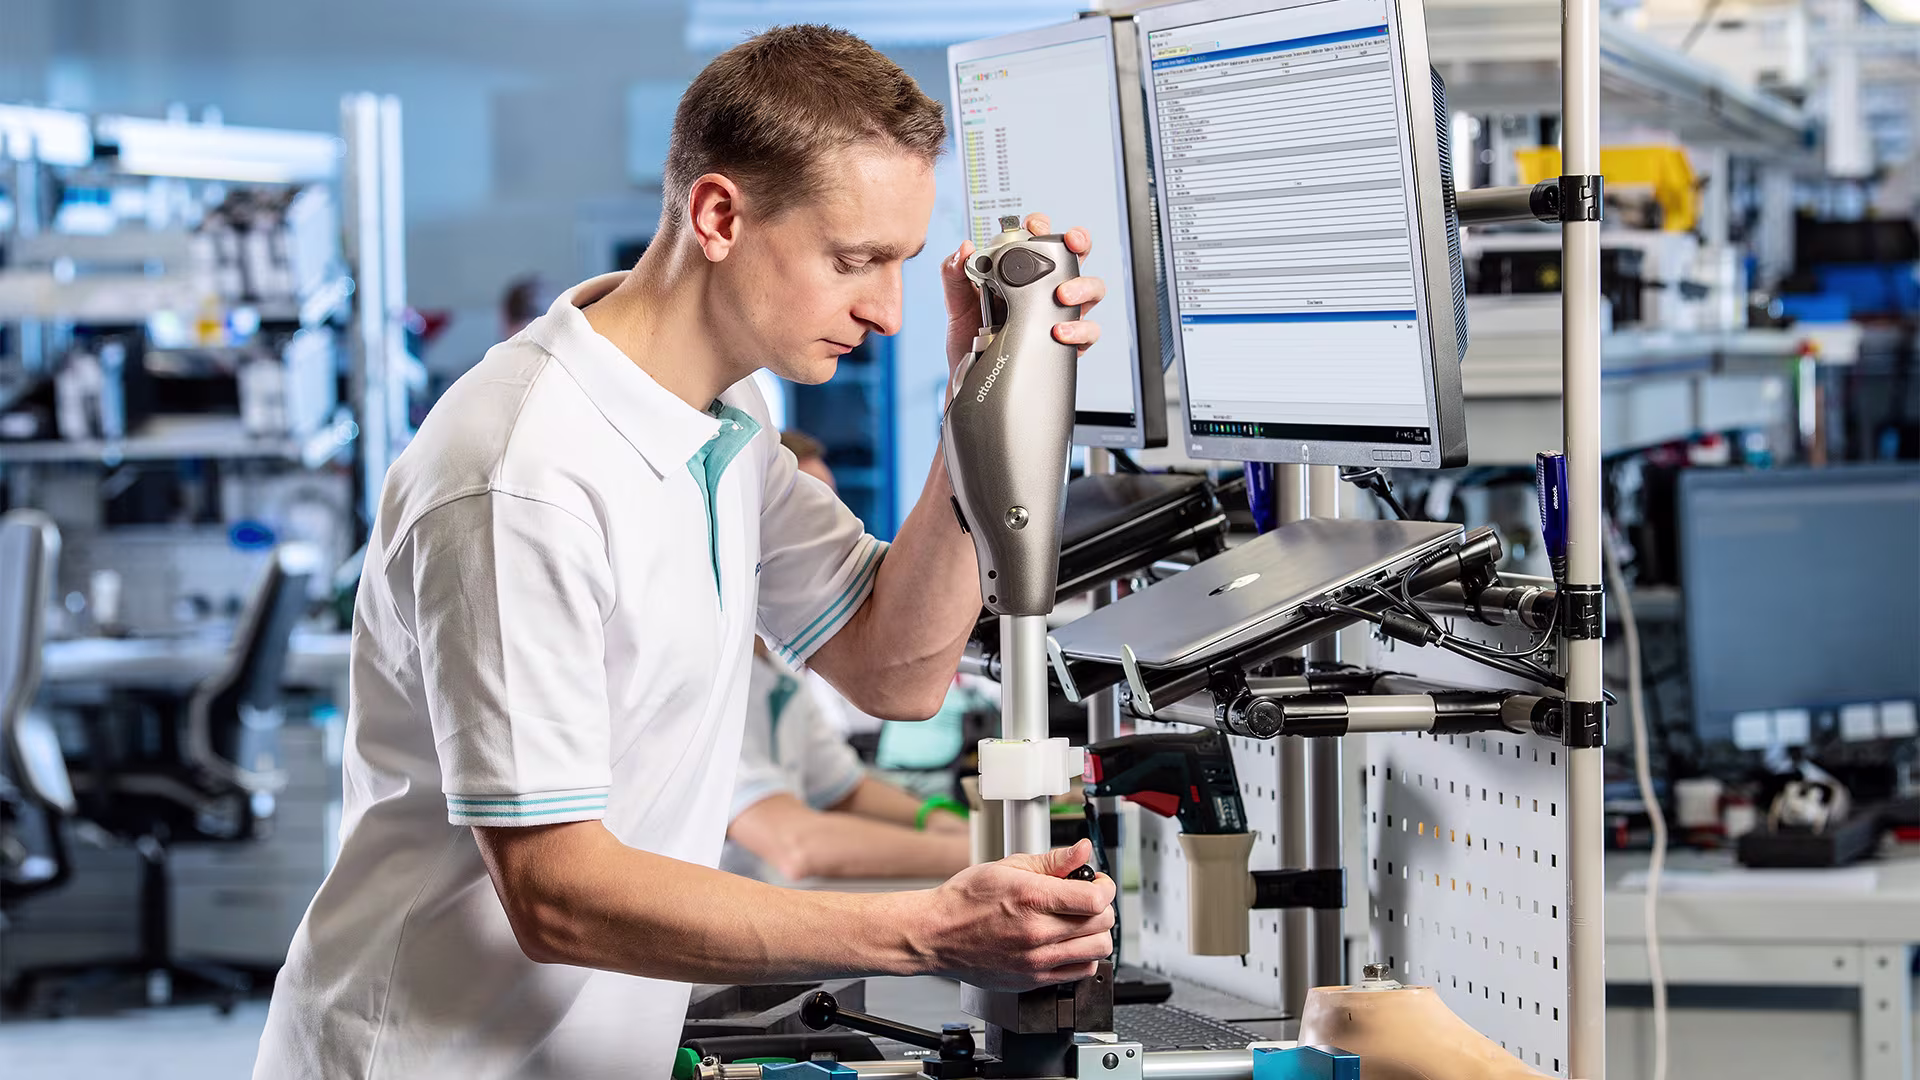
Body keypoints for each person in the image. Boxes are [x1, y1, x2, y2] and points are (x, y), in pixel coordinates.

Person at [255, 24, 1110, 1080]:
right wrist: (924, 930)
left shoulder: (729, 412)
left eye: (899, 262)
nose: (887, 311)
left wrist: (978, 397)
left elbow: (895, 667)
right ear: (718, 216)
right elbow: (556, 893)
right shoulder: (522, 474)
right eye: (854, 261)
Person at [724, 431, 971, 883]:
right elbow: (796, 845)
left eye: (829, 506)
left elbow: (843, 787)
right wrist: (980, 851)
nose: (827, 530)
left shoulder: (775, 669)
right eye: (804, 509)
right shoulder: (706, 674)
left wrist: (934, 816)